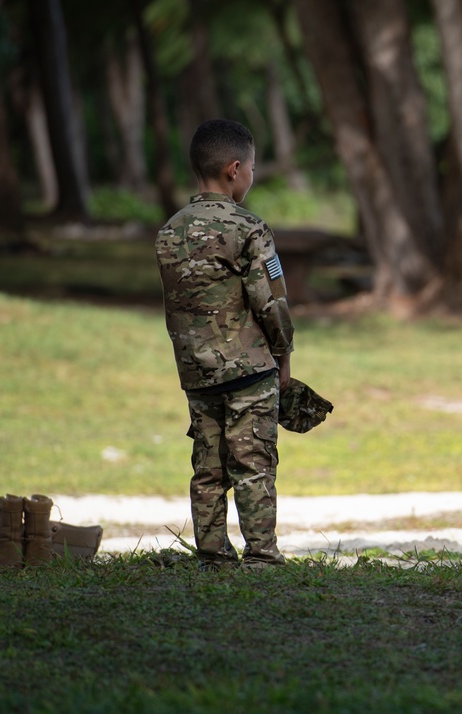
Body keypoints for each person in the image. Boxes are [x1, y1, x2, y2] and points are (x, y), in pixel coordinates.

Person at [155, 119, 295, 571]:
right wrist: (284, 355)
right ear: (235, 169)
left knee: (208, 467)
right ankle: (261, 556)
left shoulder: (170, 231)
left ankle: (212, 555)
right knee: (253, 462)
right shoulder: (249, 228)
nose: (252, 176)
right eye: (253, 168)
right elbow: (270, 302)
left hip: (196, 372)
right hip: (249, 370)